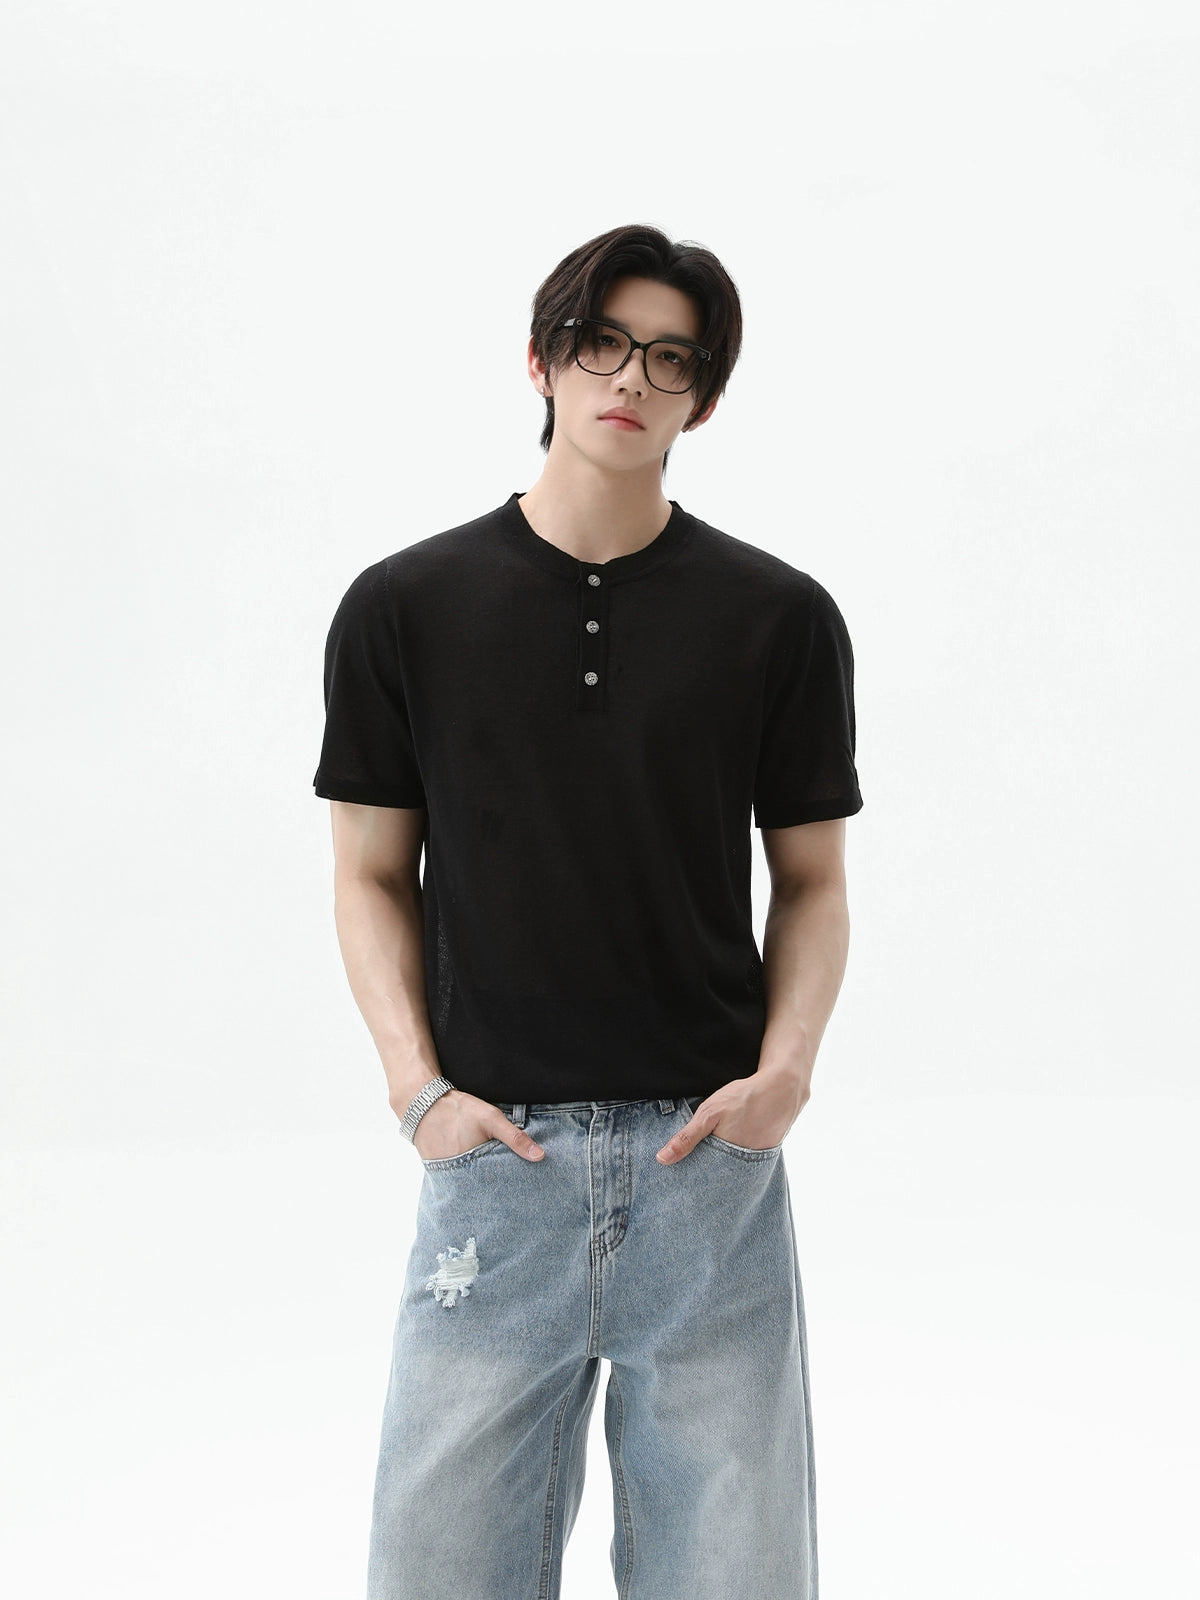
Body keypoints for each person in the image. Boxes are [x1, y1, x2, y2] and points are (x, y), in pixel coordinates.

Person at [313, 222, 863, 1600]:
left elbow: (812, 881)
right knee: (437, 1574)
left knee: (736, 1579)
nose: (630, 377)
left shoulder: (779, 617)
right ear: (543, 360)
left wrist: (786, 1075)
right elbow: (369, 871)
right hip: (496, 1166)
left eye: (671, 359)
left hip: (706, 1164)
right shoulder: (403, 606)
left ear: (703, 401)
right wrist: (417, 1093)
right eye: (602, 343)